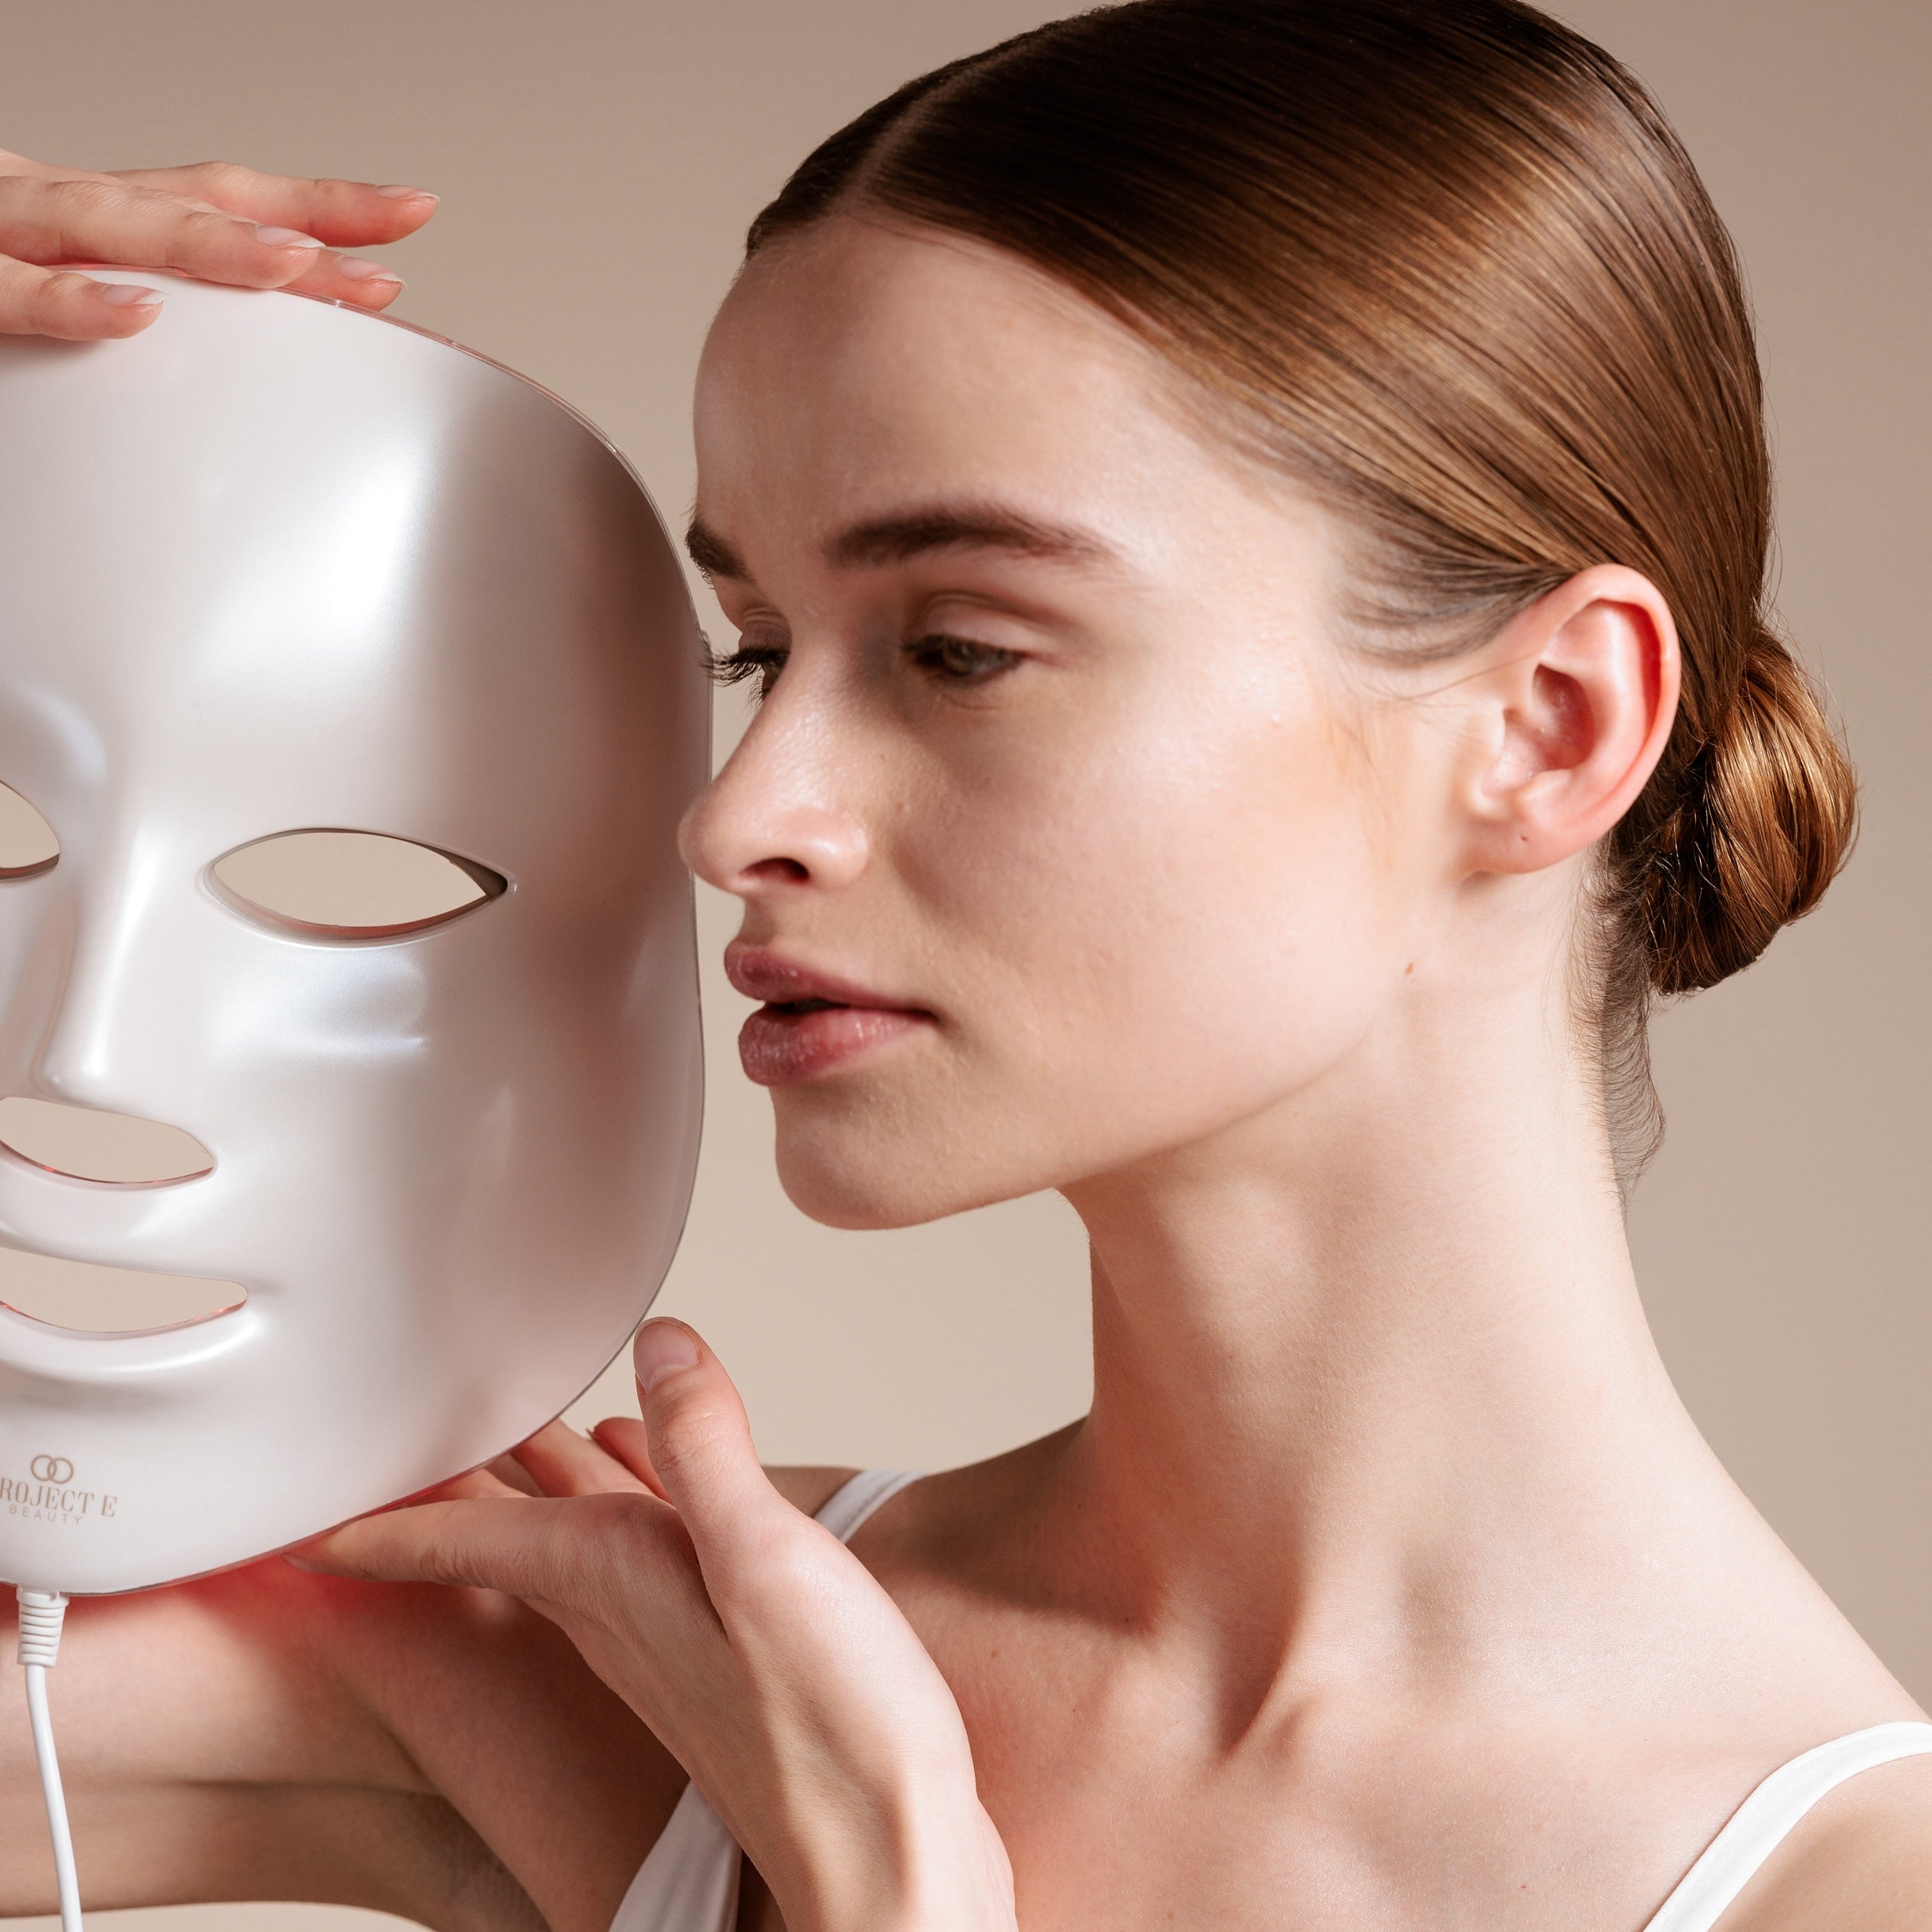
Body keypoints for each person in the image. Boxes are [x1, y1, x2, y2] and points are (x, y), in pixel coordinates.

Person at [2, 2, 1928, 1928]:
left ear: (1545, 726)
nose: (737, 810)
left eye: (957, 647)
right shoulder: (617, 1654)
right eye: (760, 644)